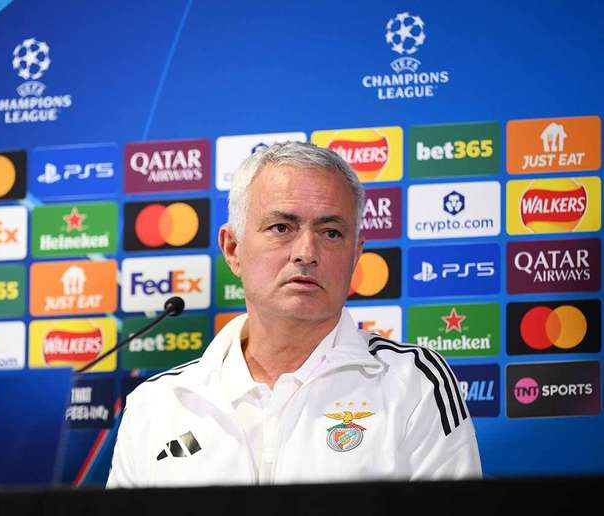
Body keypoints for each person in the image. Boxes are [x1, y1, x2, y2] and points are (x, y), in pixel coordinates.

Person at [107, 141, 481, 487]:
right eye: (281, 227)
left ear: (355, 255)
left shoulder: (414, 384)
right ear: (233, 249)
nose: (306, 252)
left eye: (331, 232)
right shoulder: (157, 404)